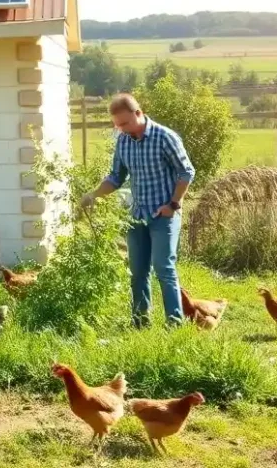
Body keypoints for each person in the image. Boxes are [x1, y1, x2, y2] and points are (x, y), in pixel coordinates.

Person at [81, 93, 196, 328]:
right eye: (117, 125)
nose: (121, 129)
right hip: (137, 215)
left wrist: (173, 204)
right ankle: (140, 322)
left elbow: (186, 173)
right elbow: (115, 178)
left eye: (124, 123)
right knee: (137, 271)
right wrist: (93, 195)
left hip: (164, 214)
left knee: (164, 268)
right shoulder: (123, 141)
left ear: (138, 113)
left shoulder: (165, 137)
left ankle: (174, 323)